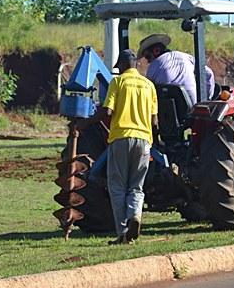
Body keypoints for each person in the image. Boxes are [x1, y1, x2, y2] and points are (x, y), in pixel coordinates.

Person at [73, 49, 158, 244]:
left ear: (121, 65)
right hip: (144, 141)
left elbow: (107, 110)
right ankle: (135, 215)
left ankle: (123, 233)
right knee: (136, 186)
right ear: (136, 64)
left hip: (121, 138)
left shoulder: (118, 82)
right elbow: (154, 121)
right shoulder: (149, 86)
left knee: (118, 186)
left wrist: (85, 123)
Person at [137, 33, 215, 104]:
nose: (148, 61)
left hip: (167, 113)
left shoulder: (153, 67)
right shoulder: (186, 57)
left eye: (148, 57)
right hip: (193, 108)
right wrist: (206, 100)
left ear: (156, 51)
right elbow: (209, 74)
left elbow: (147, 91)